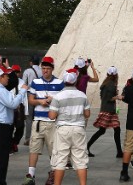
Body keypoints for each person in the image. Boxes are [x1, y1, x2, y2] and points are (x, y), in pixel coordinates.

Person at [23, 56, 65, 185]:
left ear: (52, 69)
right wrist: (39, 101)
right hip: (38, 121)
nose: (45, 71)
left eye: (47, 68)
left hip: (53, 122)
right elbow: (30, 100)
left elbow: (64, 101)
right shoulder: (35, 82)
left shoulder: (59, 83)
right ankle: (31, 175)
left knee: (53, 150)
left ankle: (53, 173)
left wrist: (53, 100)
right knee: (34, 148)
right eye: (43, 68)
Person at [0, 65, 28, 185]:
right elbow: (13, 104)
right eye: (6, 76)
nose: (8, 78)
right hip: (0, 127)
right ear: (0, 77)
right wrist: (23, 90)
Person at [48, 69, 91, 185]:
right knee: (80, 160)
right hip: (78, 129)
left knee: (60, 160)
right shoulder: (82, 96)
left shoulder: (58, 97)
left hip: (63, 129)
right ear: (75, 81)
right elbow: (87, 114)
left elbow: (52, 116)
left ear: (64, 81)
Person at [86, 66, 123, 158]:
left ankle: (119, 152)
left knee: (113, 130)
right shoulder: (110, 85)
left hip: (108, 110)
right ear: (116, 75)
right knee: (105, 130)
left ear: (107, 74)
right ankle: (86, 147)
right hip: (108, 111)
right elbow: (108, 98)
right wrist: (117, 97)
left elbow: (103, 96)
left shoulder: (106, 83)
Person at [22, 55, 42, 145]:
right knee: (38, 117)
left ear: (31, 62)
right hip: (40, 95)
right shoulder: (42, 71)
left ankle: (28, 139)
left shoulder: (28, 71)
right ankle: (38, 138)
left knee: (29, 118)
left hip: (29, 94)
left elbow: (23, 83)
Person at [10, 64, 28, 154]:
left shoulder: (22, 82)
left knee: (20, 127)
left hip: (20, 106)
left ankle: (15, 142)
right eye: (14, 72)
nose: (16, 74)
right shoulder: (9, 82)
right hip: (11, 105)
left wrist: (26, 111)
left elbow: (25, 98)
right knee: (10, 127)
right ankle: (10, 145)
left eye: (18, 72)